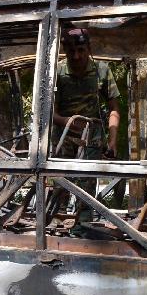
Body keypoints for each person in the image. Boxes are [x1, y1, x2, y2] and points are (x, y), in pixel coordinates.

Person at [52, 26, 122, 231]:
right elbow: (50, 113)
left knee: (88, 184)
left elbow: (114, 110)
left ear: (88, 48)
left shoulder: (101, 71)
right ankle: (57, 223)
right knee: (60, 183)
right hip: (63, 136)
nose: (76, 55)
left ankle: (84, 225)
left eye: (81, 50)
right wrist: (68, 122)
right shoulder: (57, 72)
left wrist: (112, 141)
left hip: (92, 136)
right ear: (65, 50)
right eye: (71, 51)